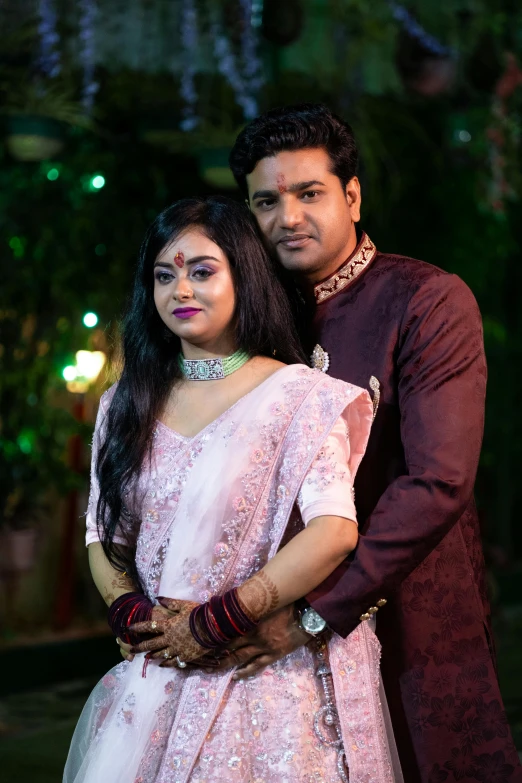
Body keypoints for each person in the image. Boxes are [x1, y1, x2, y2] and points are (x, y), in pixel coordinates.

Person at [209, 104, 521, 783]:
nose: (287, 216)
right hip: (271, 617)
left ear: (352, 195)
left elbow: (437, 480)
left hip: (407, 611)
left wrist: (317, 612)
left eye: (309, 193)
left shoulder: (426, 300)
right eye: (266, 201)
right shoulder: (251, 319)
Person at [64, 196, 403, 783]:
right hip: (154, 680)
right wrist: (132, 613)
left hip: (257, 679)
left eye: (202, 271)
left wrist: (219, 620)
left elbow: (334, 531)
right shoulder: (127, 400)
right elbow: (102, 532)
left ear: (244, 276)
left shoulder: (301, 398)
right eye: (164, 276)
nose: (180, 291)